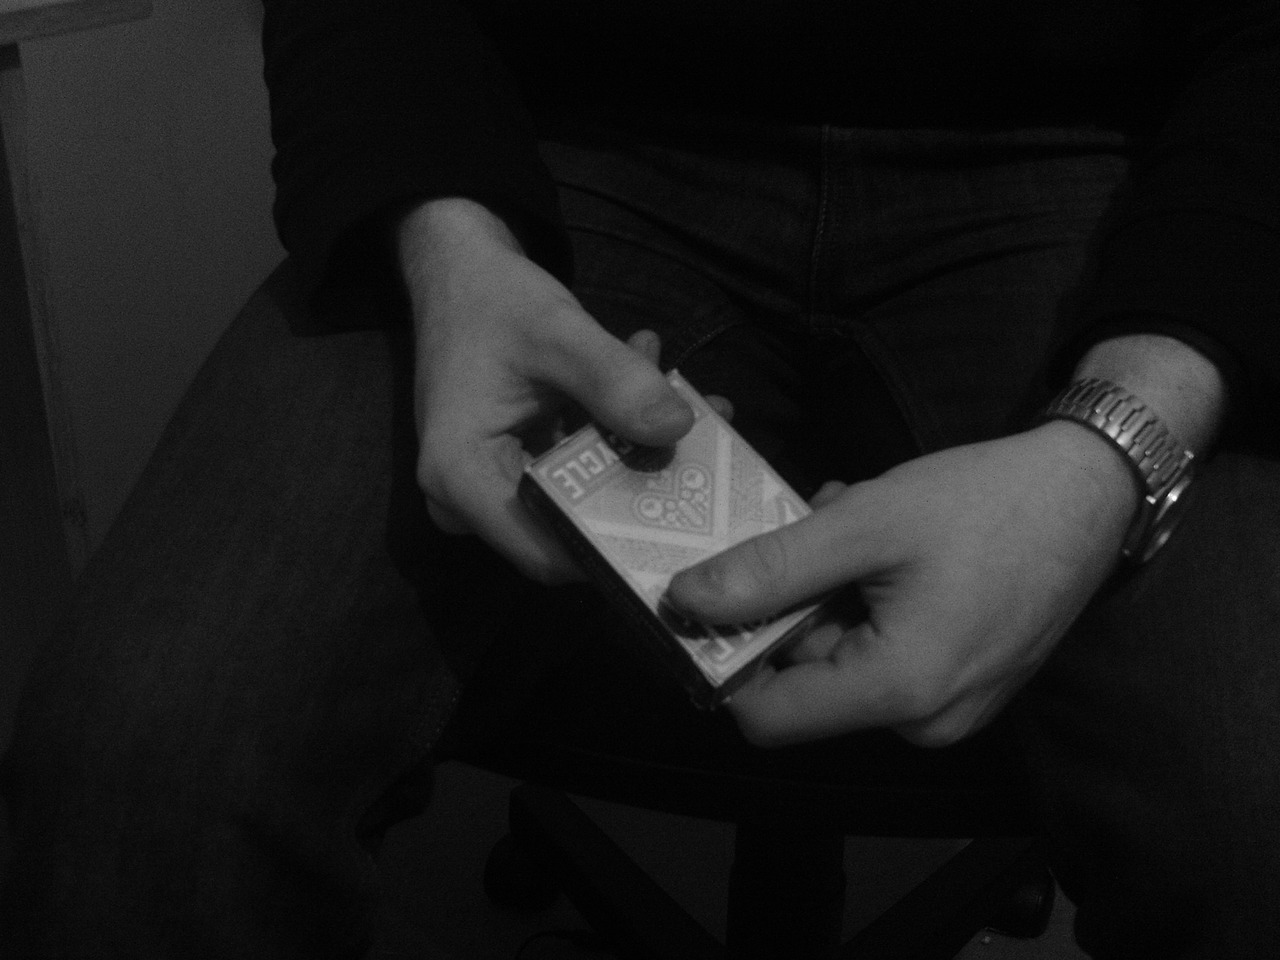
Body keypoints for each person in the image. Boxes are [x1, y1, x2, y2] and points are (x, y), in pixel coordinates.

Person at [2, 0, 1277, 957]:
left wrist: (1120, 444)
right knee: (140, 771)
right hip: (556, 131)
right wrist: (448, 244)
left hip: (1106, 159)